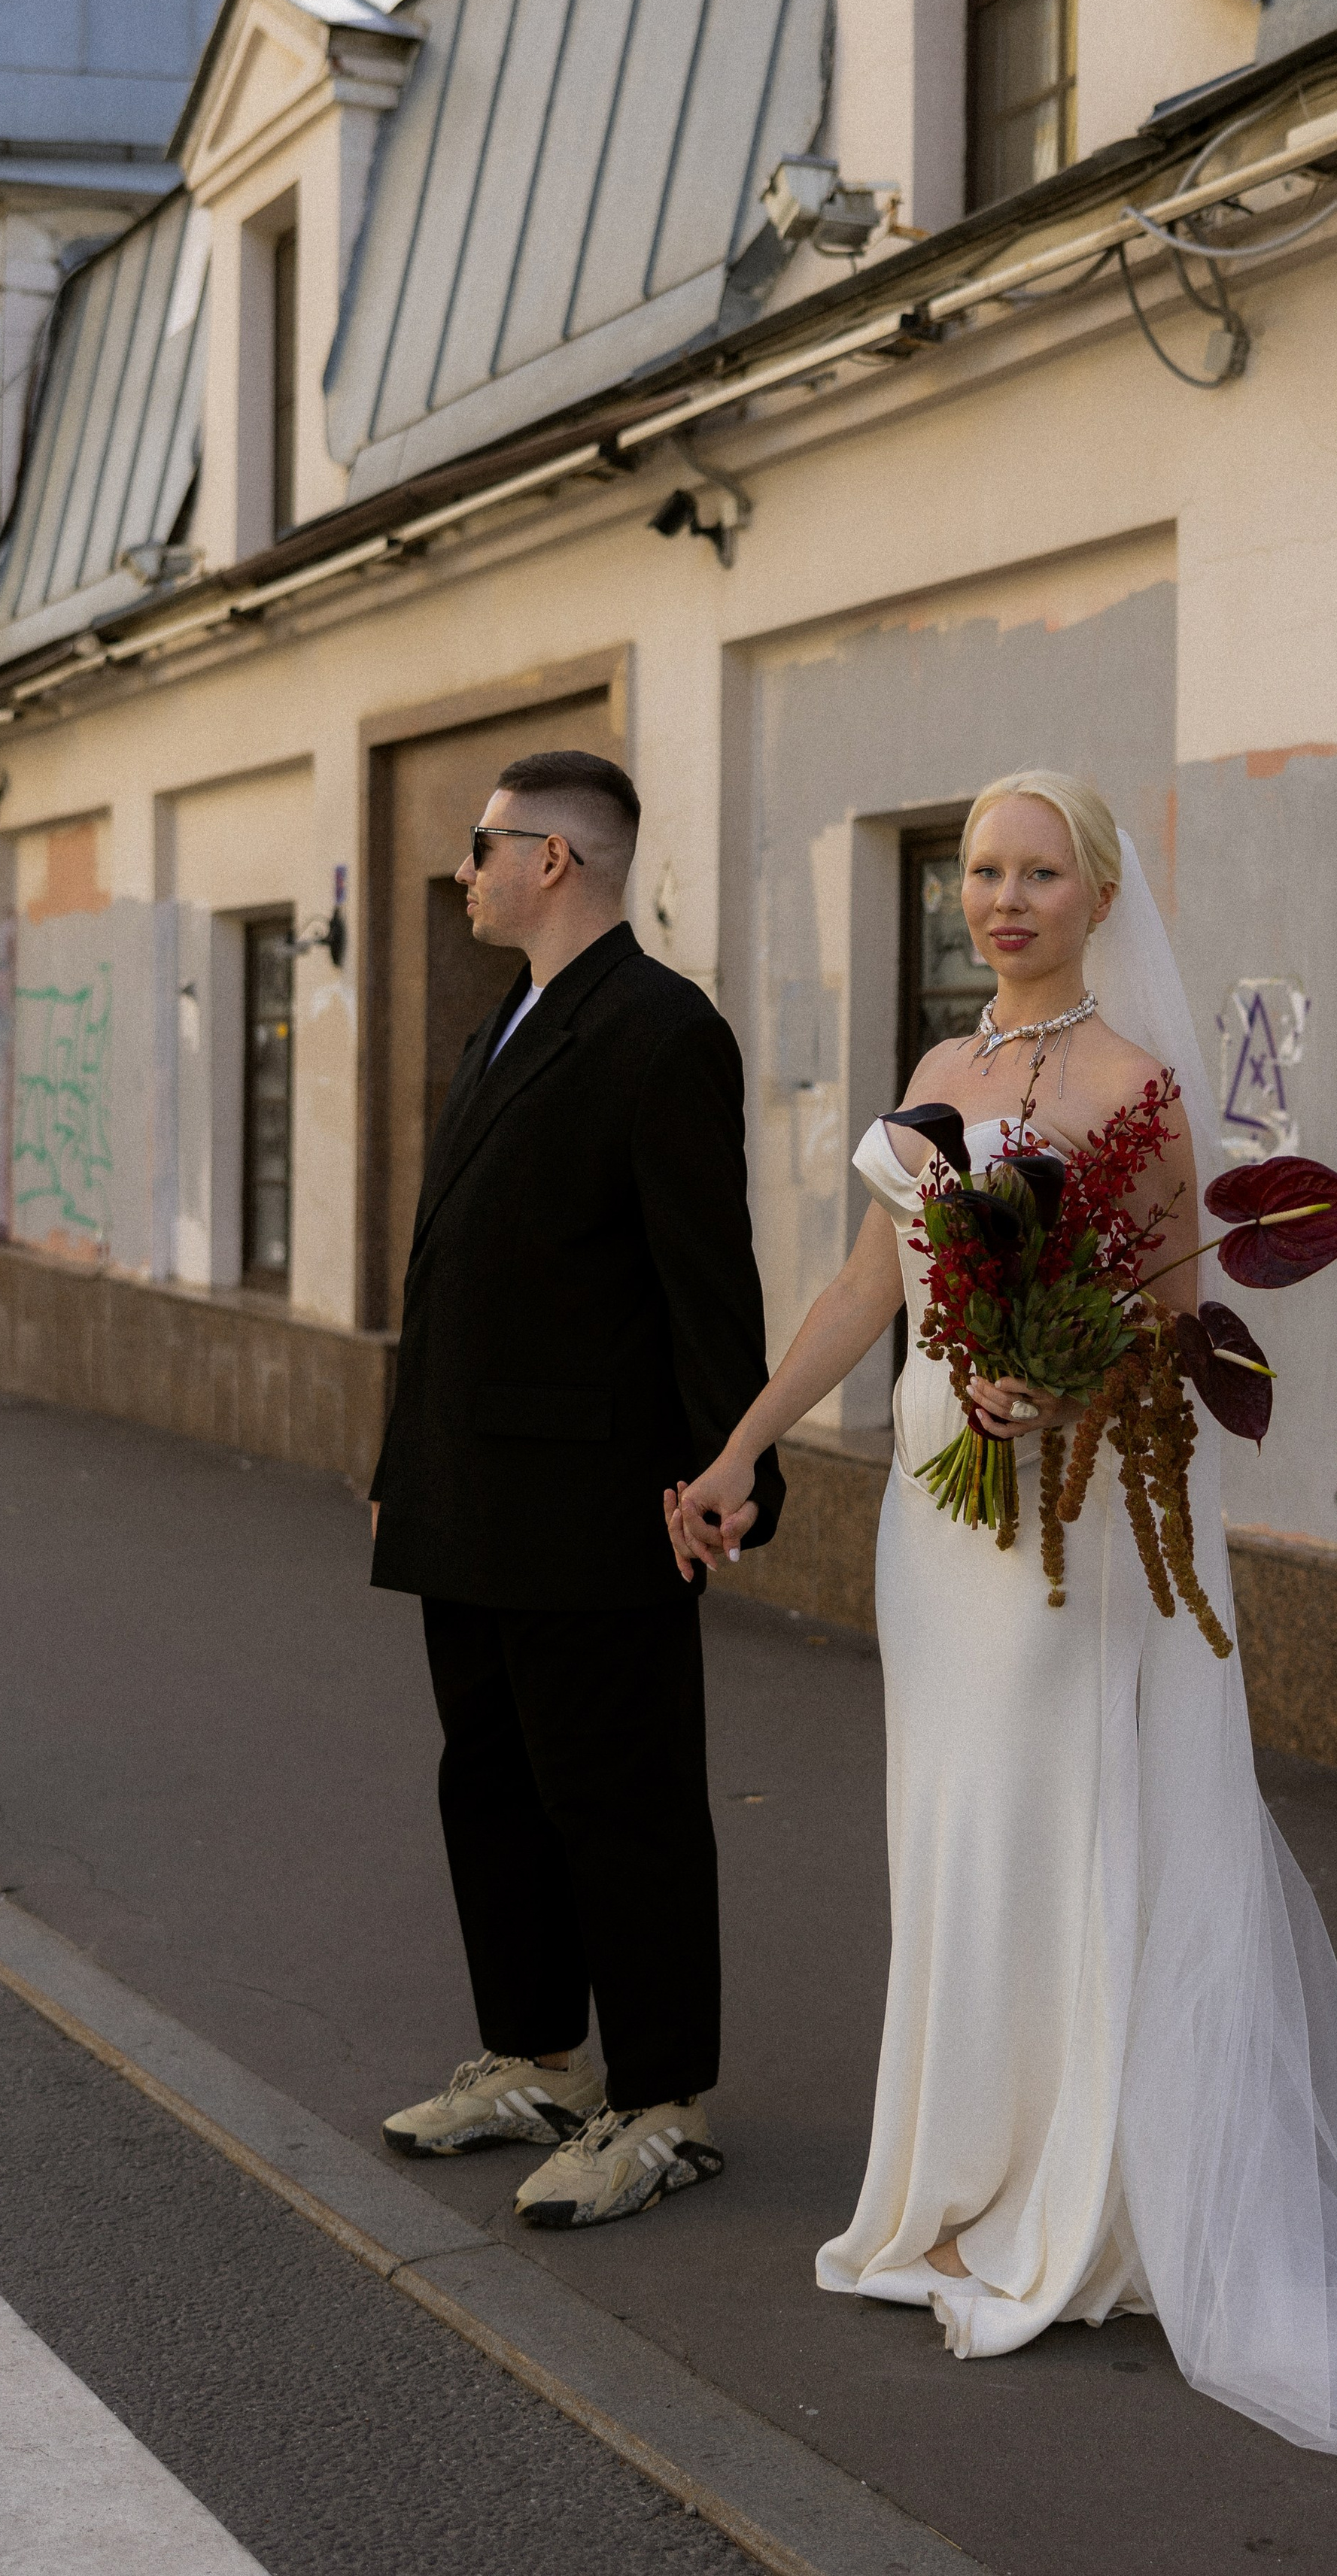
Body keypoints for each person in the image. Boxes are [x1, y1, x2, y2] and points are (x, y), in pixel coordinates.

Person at [671, 769, 1337, 2472]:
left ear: (1094, 891)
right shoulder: (937, 1071)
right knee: (948, 1832)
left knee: (1047, 1828)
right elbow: (867, 1284)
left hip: (1063, 1531)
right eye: (980, 871)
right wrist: (740, 1446)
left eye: (1035, 872)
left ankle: (1072, 2203)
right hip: (936, 1514)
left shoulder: (1136, 1088)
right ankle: (959, 2175)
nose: (999, 898)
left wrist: (1054, 1392)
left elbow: (1169, 1329)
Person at [372, 748, 784, 2229]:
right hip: (468, 1491)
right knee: (487, 1782)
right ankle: (537, 2056)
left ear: (555, 859)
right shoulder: (505, 1025)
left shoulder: (662, 1031)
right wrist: (398, 1464)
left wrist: (731, 1465)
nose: (465, 868)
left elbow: (702, 1274)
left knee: (621, 1799)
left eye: (483, 844)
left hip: (600, 1498)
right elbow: (447, 1273)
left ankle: (660, 2102)